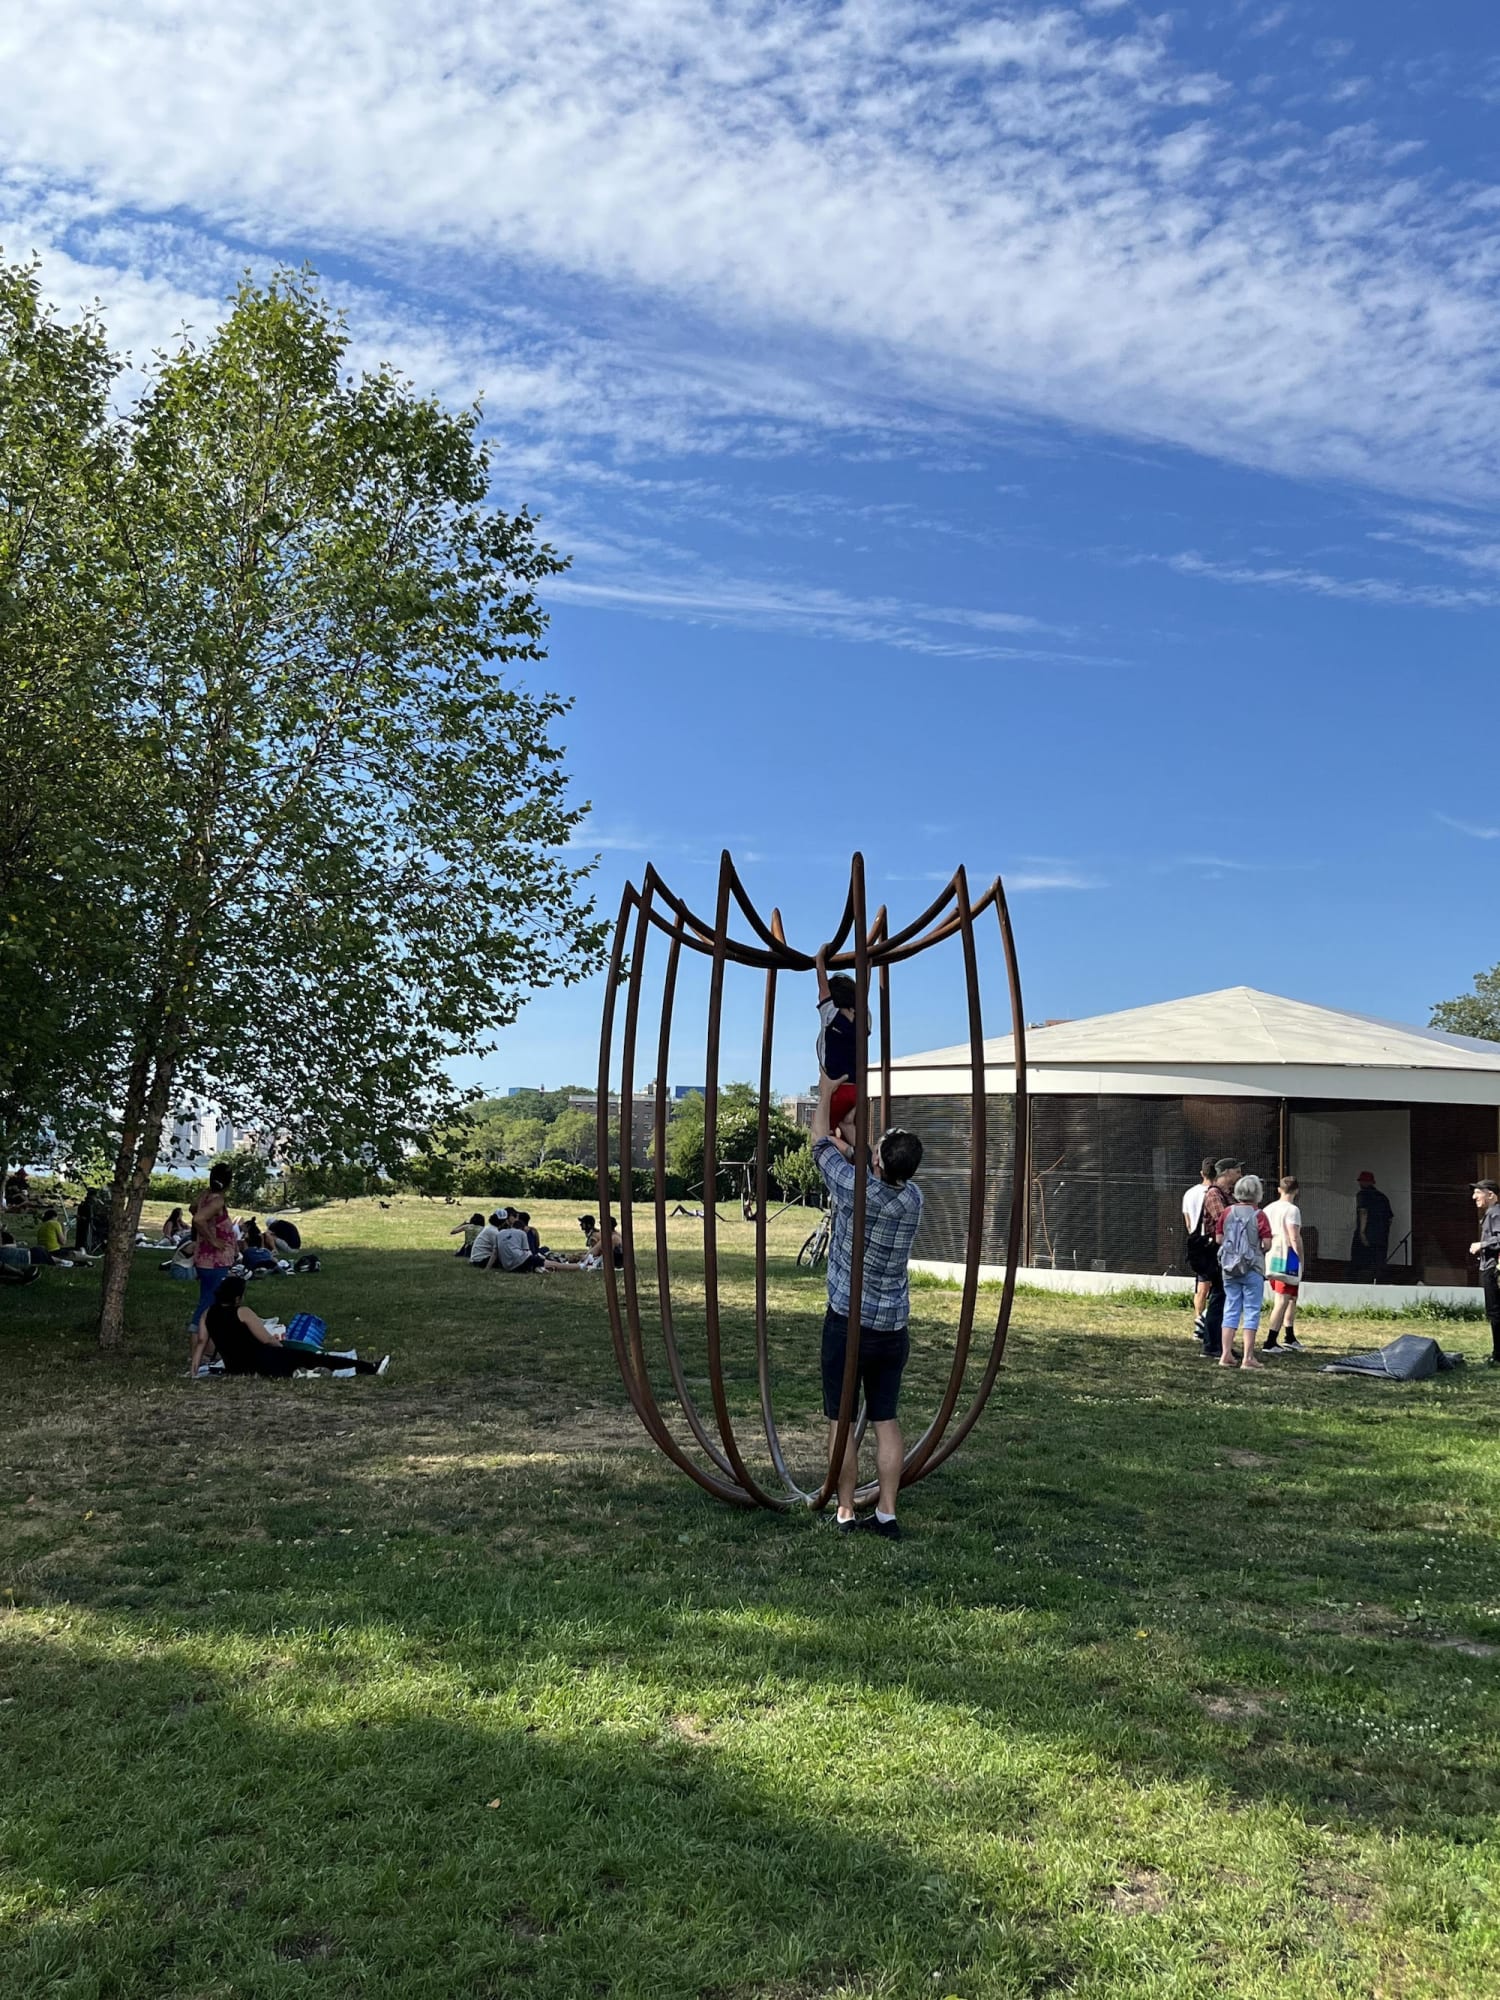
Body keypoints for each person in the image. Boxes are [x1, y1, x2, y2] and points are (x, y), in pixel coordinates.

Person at [811, 1070, 924, 1538]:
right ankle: (887, 1513)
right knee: (886, 1420)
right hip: (891, 1328)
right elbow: (870, 1167)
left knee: (841, 1420)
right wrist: (858, 1149)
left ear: (876, 1161)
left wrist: (825, 1094)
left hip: (849, 1323)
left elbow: (819, 1141)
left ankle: (844, 1511)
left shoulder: (854, 1191)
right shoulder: (913, 1198)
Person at [191, 1276, 388, 1378]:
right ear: (237, 1297)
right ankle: (368, 1367)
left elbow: (201, 1342)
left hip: (236, 1366)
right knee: (315, 1358)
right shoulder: (242, 1312)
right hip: (262, 1359)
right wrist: (283, 1350)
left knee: (309, 1362)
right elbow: (266, 1339)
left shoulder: (208, 1313)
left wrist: (194, 1368)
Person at [1216, 1173, 1272, 1369]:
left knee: (1230, 1308)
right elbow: (1266, 1243)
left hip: (1229, 1268)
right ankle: (1248, 1357)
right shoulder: (1259, 1215)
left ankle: (1226, 1354)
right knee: (1251, 1310)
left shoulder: (1227, 1212)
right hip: (1252, 1267)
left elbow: (1219, 1239)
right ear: (1257, 1193)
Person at [1195, 1158, 1243, 1358]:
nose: (1240, 1175)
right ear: (1226, 1173)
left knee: (1225, 1299)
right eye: (1237, 1171)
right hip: (1217, 1254)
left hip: (1228, 1253)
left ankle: (1221, 1343)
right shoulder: (1215, 1194)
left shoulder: (1228, 1195)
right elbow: (1224, 1219)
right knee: (1218, 1299)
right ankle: (1211, 1343)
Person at [189, 1164, 238, 1339]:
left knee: (209, 1300)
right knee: (208, 1305)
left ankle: (208, 1346)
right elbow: (198, 1218)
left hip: (205, 1259)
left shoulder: (205, 1196)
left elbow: (193, 1209)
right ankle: (198, 1346)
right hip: (215, 1262)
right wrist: (212, 1239)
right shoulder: (217, 1201)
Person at [1261, 1175, 1306, 1352]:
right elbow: (1294, 1236)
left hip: (1271, 1253)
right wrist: (1300, 1257)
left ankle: (1289, 1335)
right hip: (1287, 1255)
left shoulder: (1269, 1208)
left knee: (1291, 1296)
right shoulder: (1292, 1210)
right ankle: (1271, 1340)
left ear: (1279, 1189)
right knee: (1283, 1297)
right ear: (1296, 1191)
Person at [814, 946, 863, 1084]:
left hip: (834, 1086)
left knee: (824, 1101)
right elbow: (864, 989)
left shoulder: (831, 1014)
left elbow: (823, 987)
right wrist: (866, 960)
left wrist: (820, 957)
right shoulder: (862, 1019)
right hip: (855, 1087)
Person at [1182, 1156, 1218, 1337]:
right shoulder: (1217, 1193)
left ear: (1202, 1173)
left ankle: (1198, 1320)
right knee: (1216, 1285)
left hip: (1197, 1241)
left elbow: (1188, 1221)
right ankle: (1204, 1322)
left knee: (1201, 1285)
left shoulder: (1190, 1193)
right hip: (1212, 1241)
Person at [1469, 1179, 1500, 1367]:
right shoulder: (1492, 1213)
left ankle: (1498, 1355)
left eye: (1478, 1192)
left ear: (1491, 1195)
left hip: (1492, 1268)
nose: (1474, 1197)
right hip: (1491, 1266)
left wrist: (1482, 1244)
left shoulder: (1495, 1213)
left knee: (1495, 1312)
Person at [1348, 1170, 1393, 1282]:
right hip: (1381, 1238)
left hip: (1366, 1237)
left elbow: (1363, 1212)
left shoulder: (1362, 1195)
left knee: (1360, 1265)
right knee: (1378, 1265)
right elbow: (1390, 1218)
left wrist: (1362, 1233)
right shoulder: (1383, 1197)